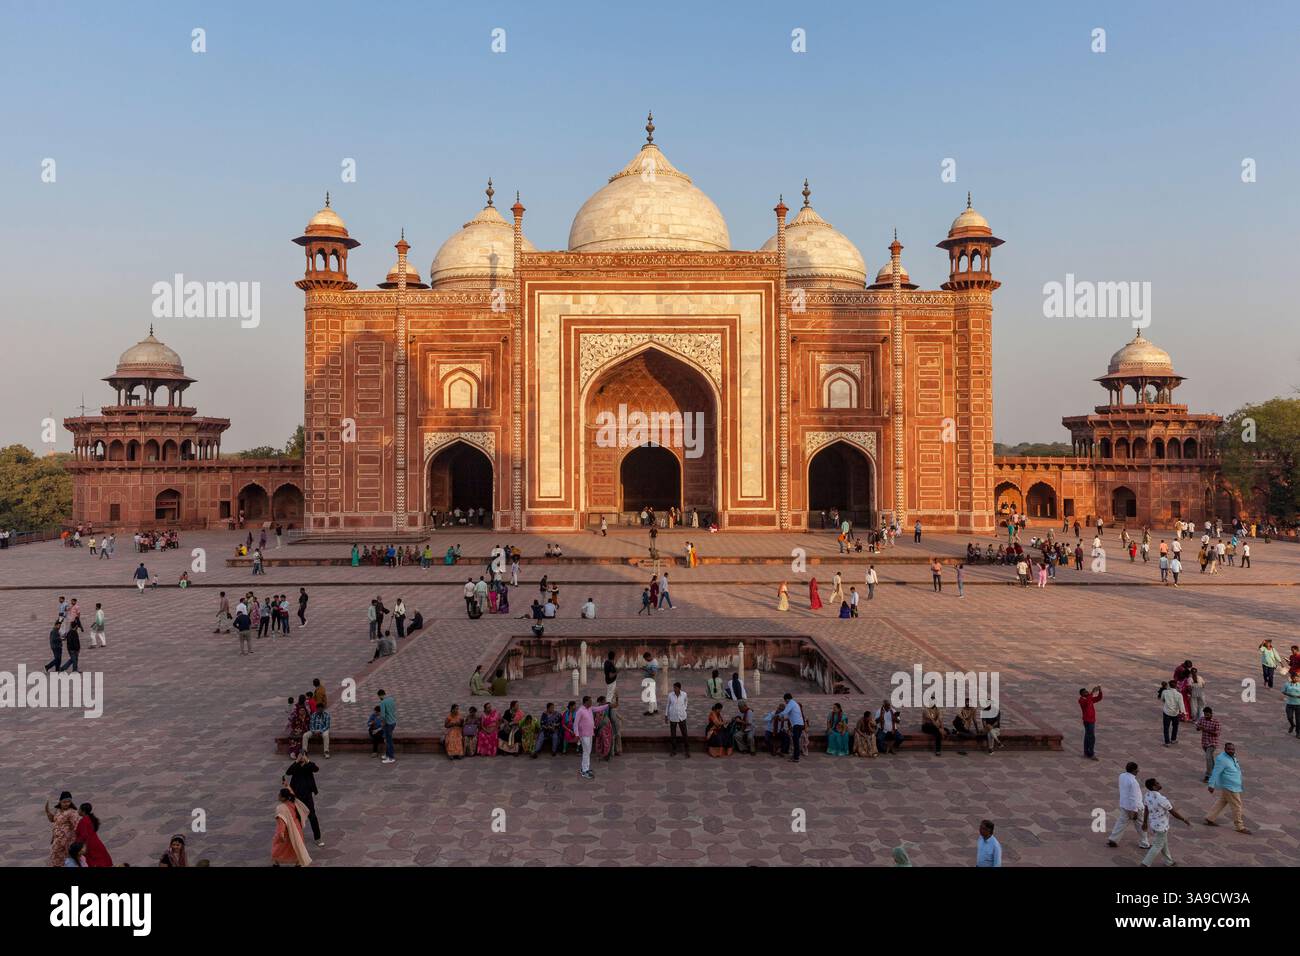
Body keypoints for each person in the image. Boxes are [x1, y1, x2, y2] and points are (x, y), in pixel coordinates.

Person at [1141, 778, 1191, 867]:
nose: (1159, 783)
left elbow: (1146, 809)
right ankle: (1145, 863)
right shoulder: (1161, 799)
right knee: (1157, 845)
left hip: (1153, 824)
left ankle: (1169, 861)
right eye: (1157, 783)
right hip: (1161, 826)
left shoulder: (1147, 795)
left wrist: (1145, 822)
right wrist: (1184, 819)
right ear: (1154, 786)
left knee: (1163, 842)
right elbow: (1173, 812)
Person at [1204, 742, 1250, 833]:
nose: (1231, 751)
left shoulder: (1232, 757)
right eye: (1229, 749)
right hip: (1230, 787)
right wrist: (1211, 784)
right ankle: (1239, 826)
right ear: (1225, 749)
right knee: (1237, 806)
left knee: (1222, 801)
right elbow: (1215, 772)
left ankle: (1210, 817)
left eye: (1232, 749)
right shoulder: (1222, 759)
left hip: (1234, 785)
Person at [1106, 761, 1151, 849]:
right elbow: (1133, 797)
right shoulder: (1133, 782)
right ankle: (1144, 843)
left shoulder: (1122, 776)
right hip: (1135, 808)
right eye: (1137, 769)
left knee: (1121, 822)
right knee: (1140, 824)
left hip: (1124, 804)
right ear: (1134, 770)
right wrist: (1133, 811)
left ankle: (1113, 839)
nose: (1139, 770)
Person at [283, 753, 324, 847]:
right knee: (297, 817)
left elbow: (316, 769)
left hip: (307, 796)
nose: (302, 758)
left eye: (303, 756)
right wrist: (296, 762)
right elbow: (288, 772)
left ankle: (318, 838)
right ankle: (297, 838)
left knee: (312, 816)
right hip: (297, 796)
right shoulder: (296, 766)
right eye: (300, 756)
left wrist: (308, 761)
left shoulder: (308, 765)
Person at [574, 694, 612, 779]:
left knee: (588, 752)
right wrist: (576, 735)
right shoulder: (580, 711)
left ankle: (585, 768)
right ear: (586, 702)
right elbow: (575, 724)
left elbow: (599, 708)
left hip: (590, 733)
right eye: (590, 701)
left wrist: (607, 705)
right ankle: (584, 771)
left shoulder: (590, 708)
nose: (592, 703)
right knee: (586, 752)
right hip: (584, 735)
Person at [272, 789, 313, 866]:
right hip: (297, 829)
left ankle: (276, 862)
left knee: (278, 848)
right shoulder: (293, 802)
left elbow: (282, 823)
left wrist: (281, 834)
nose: (278, 796)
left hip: (287, 831)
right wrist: (286, 785)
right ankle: (298, 862)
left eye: (279, 795)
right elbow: (291, 792)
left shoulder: (281, 808)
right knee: (296, 846)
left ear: (283, 798)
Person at [45, 793, 79, 868]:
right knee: (55, 860)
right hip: (57, 840)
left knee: (67, 861)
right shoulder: (58, 810)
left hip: (67, 842)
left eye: (68, 801)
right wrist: (47, 811)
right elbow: (53, 819)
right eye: (64, 802)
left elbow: (76, 826)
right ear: (60, 801)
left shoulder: (72, 812)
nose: (67, 804)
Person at [1195, 707, 1221, 782]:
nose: (1206, 716)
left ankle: (1208, 775)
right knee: (1210, 758)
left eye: (1207, 715)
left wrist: (1205, 729)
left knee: (1208, 757)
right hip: (1204, 743)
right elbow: (1197, 728)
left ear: (1211, 714)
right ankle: (1215, 772)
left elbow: (1217, 734)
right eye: (1205, 714)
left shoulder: (1216, 722)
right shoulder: (1202, 719)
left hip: (1213, 743)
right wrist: (1198, 727)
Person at [1078, 685, 1102, 760]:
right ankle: (1091, 754)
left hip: (1092, 720)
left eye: (1087, 691)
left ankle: (1086, 752)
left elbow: (1098, 698)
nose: (1087, 692)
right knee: (1091, 737)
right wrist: (1092, 692)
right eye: (1085, 692)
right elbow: (1087, 702)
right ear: (1082, 694)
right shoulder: (1082, 700)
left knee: (1087, 736)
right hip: (1088, 721)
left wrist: (1100, 691)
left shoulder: (1089, 698)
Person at [666, 682, 690, 757]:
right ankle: (673, 750)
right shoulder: (670, 695)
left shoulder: (684, 694)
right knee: (673, 735)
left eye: (676, 688)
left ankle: (687, 750)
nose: (674, 689)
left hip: (682, 716)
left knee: (684, 734)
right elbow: (668, 705)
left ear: (679, 688)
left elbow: (686, 701)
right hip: (673, 717)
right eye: (674, 687)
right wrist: (666, 715)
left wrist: (684, 708)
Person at [781, 693, 806, 763]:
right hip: (800, 724)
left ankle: (796, 757)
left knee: (795, 742)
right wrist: (784, 719)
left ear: (787, 699)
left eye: (785, 700)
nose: (785, 702)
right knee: (796, 741)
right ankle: (795, 756)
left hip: (797, 725)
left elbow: (785, 712)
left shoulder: (790, 704)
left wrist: (777, 715)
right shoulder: (795, 704)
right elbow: (790, 715)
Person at [1160, 680, 1185, 745]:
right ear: (1176, 685)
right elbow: (1181, 705)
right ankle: (1173, 739)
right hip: (1175, 713)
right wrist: (1183, 713)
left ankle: (1167, 742)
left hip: (1166, 712)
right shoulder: (1179, 694)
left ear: (1169, 685)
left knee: (1166, 727)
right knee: (1175, 726)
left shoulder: (1165, 692)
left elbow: (1162, 699)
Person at [378, 689, 397, 763]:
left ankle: (391, 757)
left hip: (388, 723)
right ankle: (387, 754)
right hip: (393, 722)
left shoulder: (382, 702)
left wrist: (382, 724)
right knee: (388, 739)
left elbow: (383, 715)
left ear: (380, 695)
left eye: (379, 696)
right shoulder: (391, 699)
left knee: (388, 741)